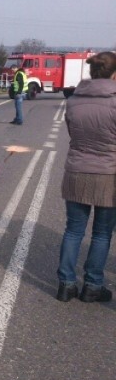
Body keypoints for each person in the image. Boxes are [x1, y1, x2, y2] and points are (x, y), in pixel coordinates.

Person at [56, 51, 116, 303]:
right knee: (102, 234)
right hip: (108, 175)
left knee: (73, 230)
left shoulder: (73, 101)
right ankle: (92, 284)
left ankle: (66, 284)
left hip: (77, 170)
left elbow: (73, 135)